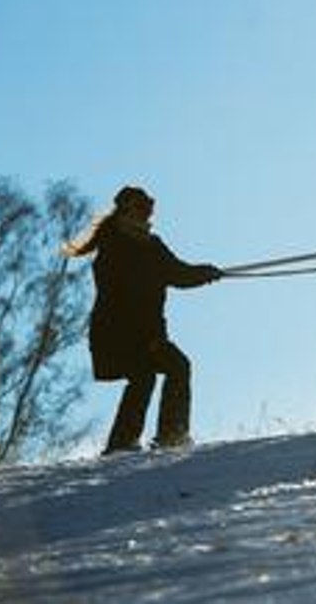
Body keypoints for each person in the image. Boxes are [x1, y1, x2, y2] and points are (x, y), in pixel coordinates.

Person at [65, 186, 222, 455]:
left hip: (147, 333)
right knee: (149, 374)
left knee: (161, 371)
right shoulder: (113, 249)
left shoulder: (151, 245)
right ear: (125, 211)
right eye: (142, 207)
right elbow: (122, 298)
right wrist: (148, 336)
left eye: (149, 207)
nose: (147, 213)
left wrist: (206, 273)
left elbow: (177, 273)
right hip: (117, 333)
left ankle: (153, 438)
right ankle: (151, 439)